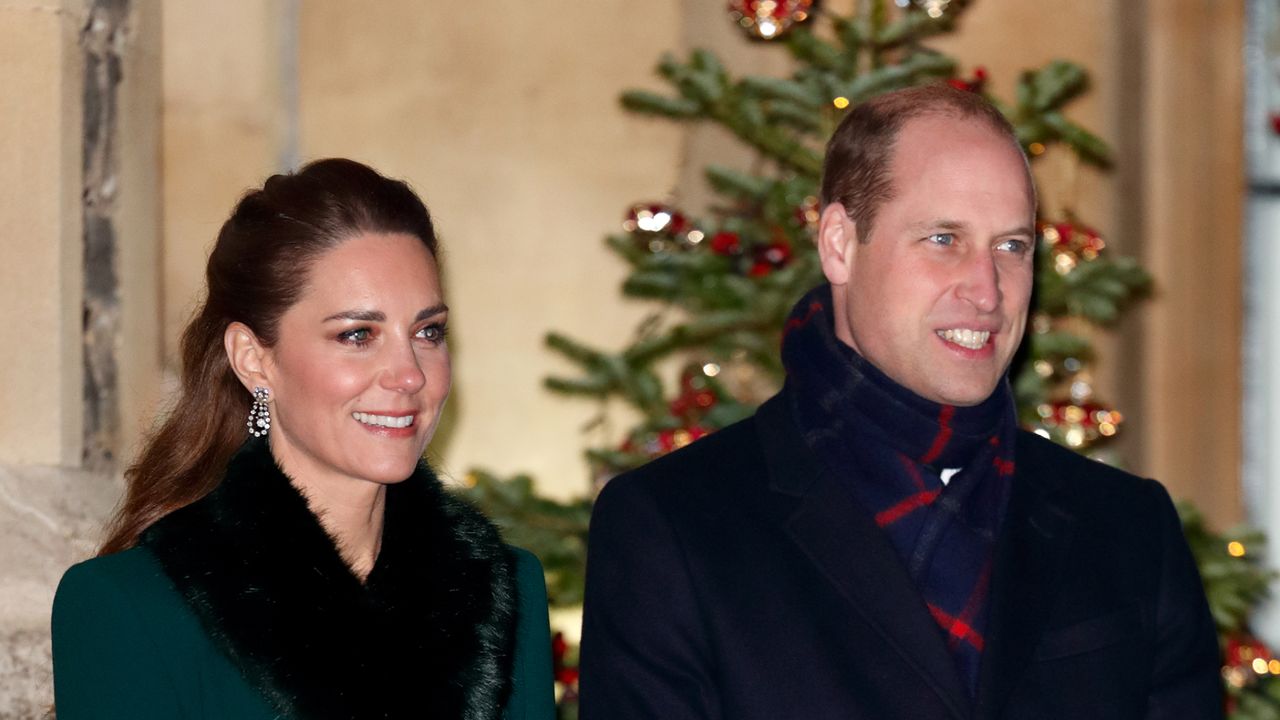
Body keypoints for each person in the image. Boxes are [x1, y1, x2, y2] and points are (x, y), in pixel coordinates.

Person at [579, 84, 1222, 719]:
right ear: (838, 244)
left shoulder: (1130, 530)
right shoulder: (673, 526)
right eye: (943, 239)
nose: (987, 289)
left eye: (1012, 246)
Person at [52, 159, 556, 720]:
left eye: (427, 332)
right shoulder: (129, 606)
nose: (409, 373)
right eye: (358, 335)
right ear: (252, 358)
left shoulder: (504, 587)